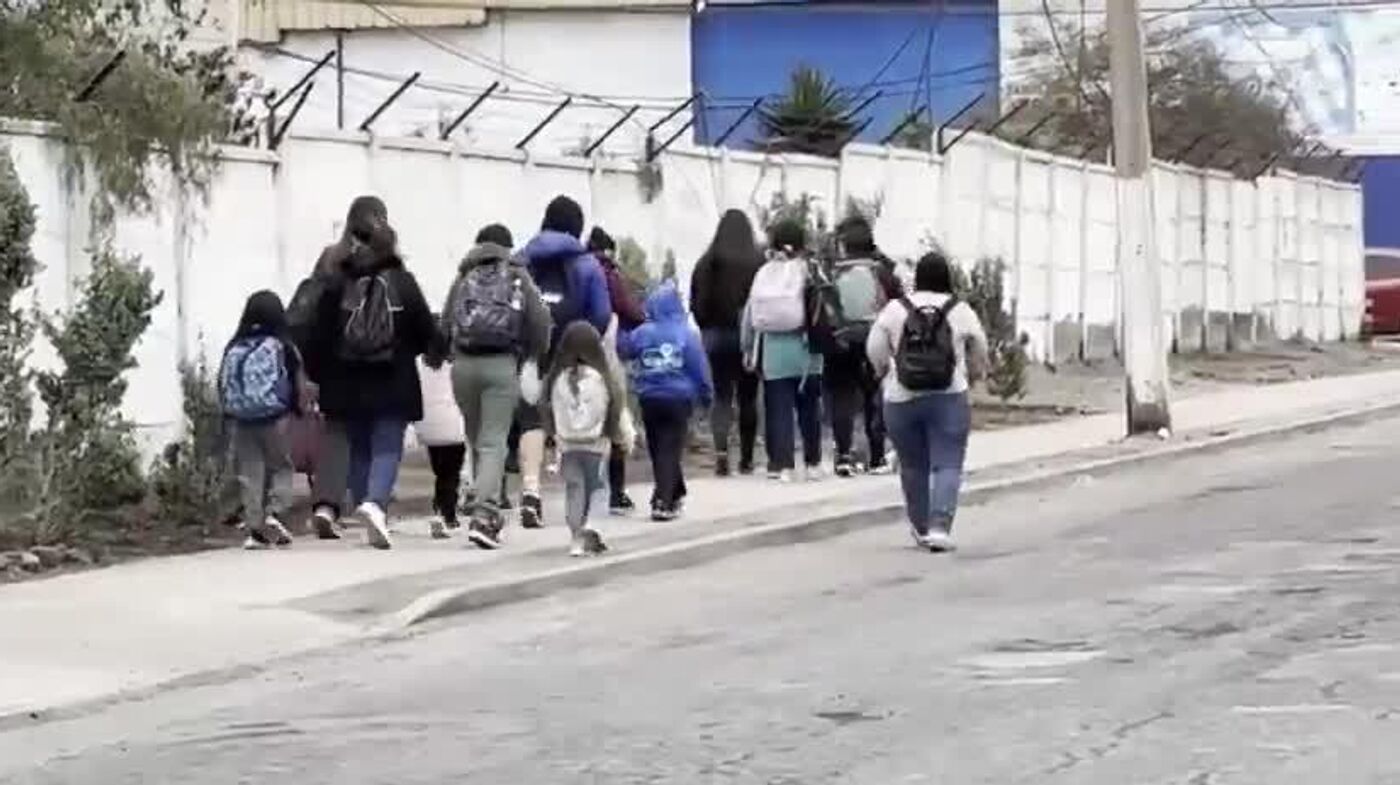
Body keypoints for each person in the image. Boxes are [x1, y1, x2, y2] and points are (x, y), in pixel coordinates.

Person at [303, 198, 437, 550]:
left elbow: (318, 333)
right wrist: (427, 350)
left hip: (347, 382)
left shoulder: (338, 281)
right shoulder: (402, 282)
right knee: (387, 446)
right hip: (393, 378)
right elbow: (424, 329)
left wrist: (318, 373)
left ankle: (366, 504)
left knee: (360, 448)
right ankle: (375, 504)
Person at [866, 250, 989, 553]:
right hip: (949, 396)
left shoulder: (896, 309)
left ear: (917, 278)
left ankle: (921, 527)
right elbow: (979, 345)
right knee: (948, 463)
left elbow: (875, 346)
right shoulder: (959, 309)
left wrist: (883, 371)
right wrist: (974, 374)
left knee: (912, 465)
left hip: (901, 398)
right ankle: (939, 527)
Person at [295, 195, 398, 540]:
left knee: (337, 435)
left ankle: (326, 506)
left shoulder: (330, 257)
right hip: (371, 361)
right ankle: (370, 502)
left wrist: (312, 365)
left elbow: (315, 312)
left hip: (331, 360)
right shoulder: (381, 259)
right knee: (371, 435)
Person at [443, 223, 551, 550]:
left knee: (477, 439)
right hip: (502, 364)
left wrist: (448, 354)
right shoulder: (518, 276)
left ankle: (482, 500)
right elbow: (540, 322)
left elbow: (446, 321)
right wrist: (532, 355)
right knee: (493, 441)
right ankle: (485, 515)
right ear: (507, 247)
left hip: (463, 366)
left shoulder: (464, 276)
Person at [515, 195, 613, 529]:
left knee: (531, 421)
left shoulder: (522, 259)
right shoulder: (587, 264)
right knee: (577, 424)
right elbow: (601, 313)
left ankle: (531, 490)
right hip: (573, 356)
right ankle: (579, 495)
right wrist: (584, 344)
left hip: (533, 352)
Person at [219, 290, 306, 550]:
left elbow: (222, 383)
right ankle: (275, 513)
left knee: (250, 473)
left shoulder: (234, 346)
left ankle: (254, 529)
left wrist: (229, 413)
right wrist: (296, 410)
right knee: (281, 466)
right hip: (275, 417)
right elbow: (296, 382)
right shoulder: (282, 345)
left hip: (242, 419)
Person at [741, 218, 825, 482]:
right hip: (807, 350)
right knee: (809, 409)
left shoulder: (764, 273)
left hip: (774, 352)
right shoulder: (810, 270)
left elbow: (750, 315)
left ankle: (782, 464)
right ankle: (812, 463)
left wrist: (747, 347)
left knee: (778, 410)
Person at [622, 282, 713, 520]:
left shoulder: (643, 332)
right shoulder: (687, 334)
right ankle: (663, 500)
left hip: (649, 398)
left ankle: (674, 491)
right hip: (678, 399)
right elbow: (698, 368)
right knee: (670, 448)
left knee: (659, 448)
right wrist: (706, 395)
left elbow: (625, 348)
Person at [545, 321, 633, 556]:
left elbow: (547, 408)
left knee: (575, 489)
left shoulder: (557, 379)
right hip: (596, 443)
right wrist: (614, 435)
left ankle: (576, 537)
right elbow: (614, 408)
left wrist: (552, 435)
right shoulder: (601, 377)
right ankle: (592, 527)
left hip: (567, 444)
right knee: (598, 488)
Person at [826, 215, 902, 477]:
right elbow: (899, 303)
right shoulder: (882, 272)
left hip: (841, 340)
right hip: (874, 339)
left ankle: (843, 455)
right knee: (873, 397)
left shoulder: (834, 273)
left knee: (842, 397)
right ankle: (877, 455)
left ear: (843, 245)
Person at [690, 209, 762, 477]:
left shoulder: (705, 263)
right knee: (748, 397)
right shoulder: (757, 263)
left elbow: (696, 303)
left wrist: (705, 327)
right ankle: (747, 459)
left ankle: (721, 453)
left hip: (715, 336)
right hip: (747, 337)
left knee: (721, 397)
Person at [588, 226, 645, 514]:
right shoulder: (609, 274)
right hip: (608, 354)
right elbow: (629, 309)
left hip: (575, 354)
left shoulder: (574, 271)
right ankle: (617, 493)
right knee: (616, 419)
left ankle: (586, 489)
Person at [414, 343, 467, 540]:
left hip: (427, 425)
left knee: (440, 470)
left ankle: (440, 507)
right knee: (451, 473)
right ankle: (447, 512)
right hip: (454, 425)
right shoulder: (457, 365)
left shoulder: (417, 363)